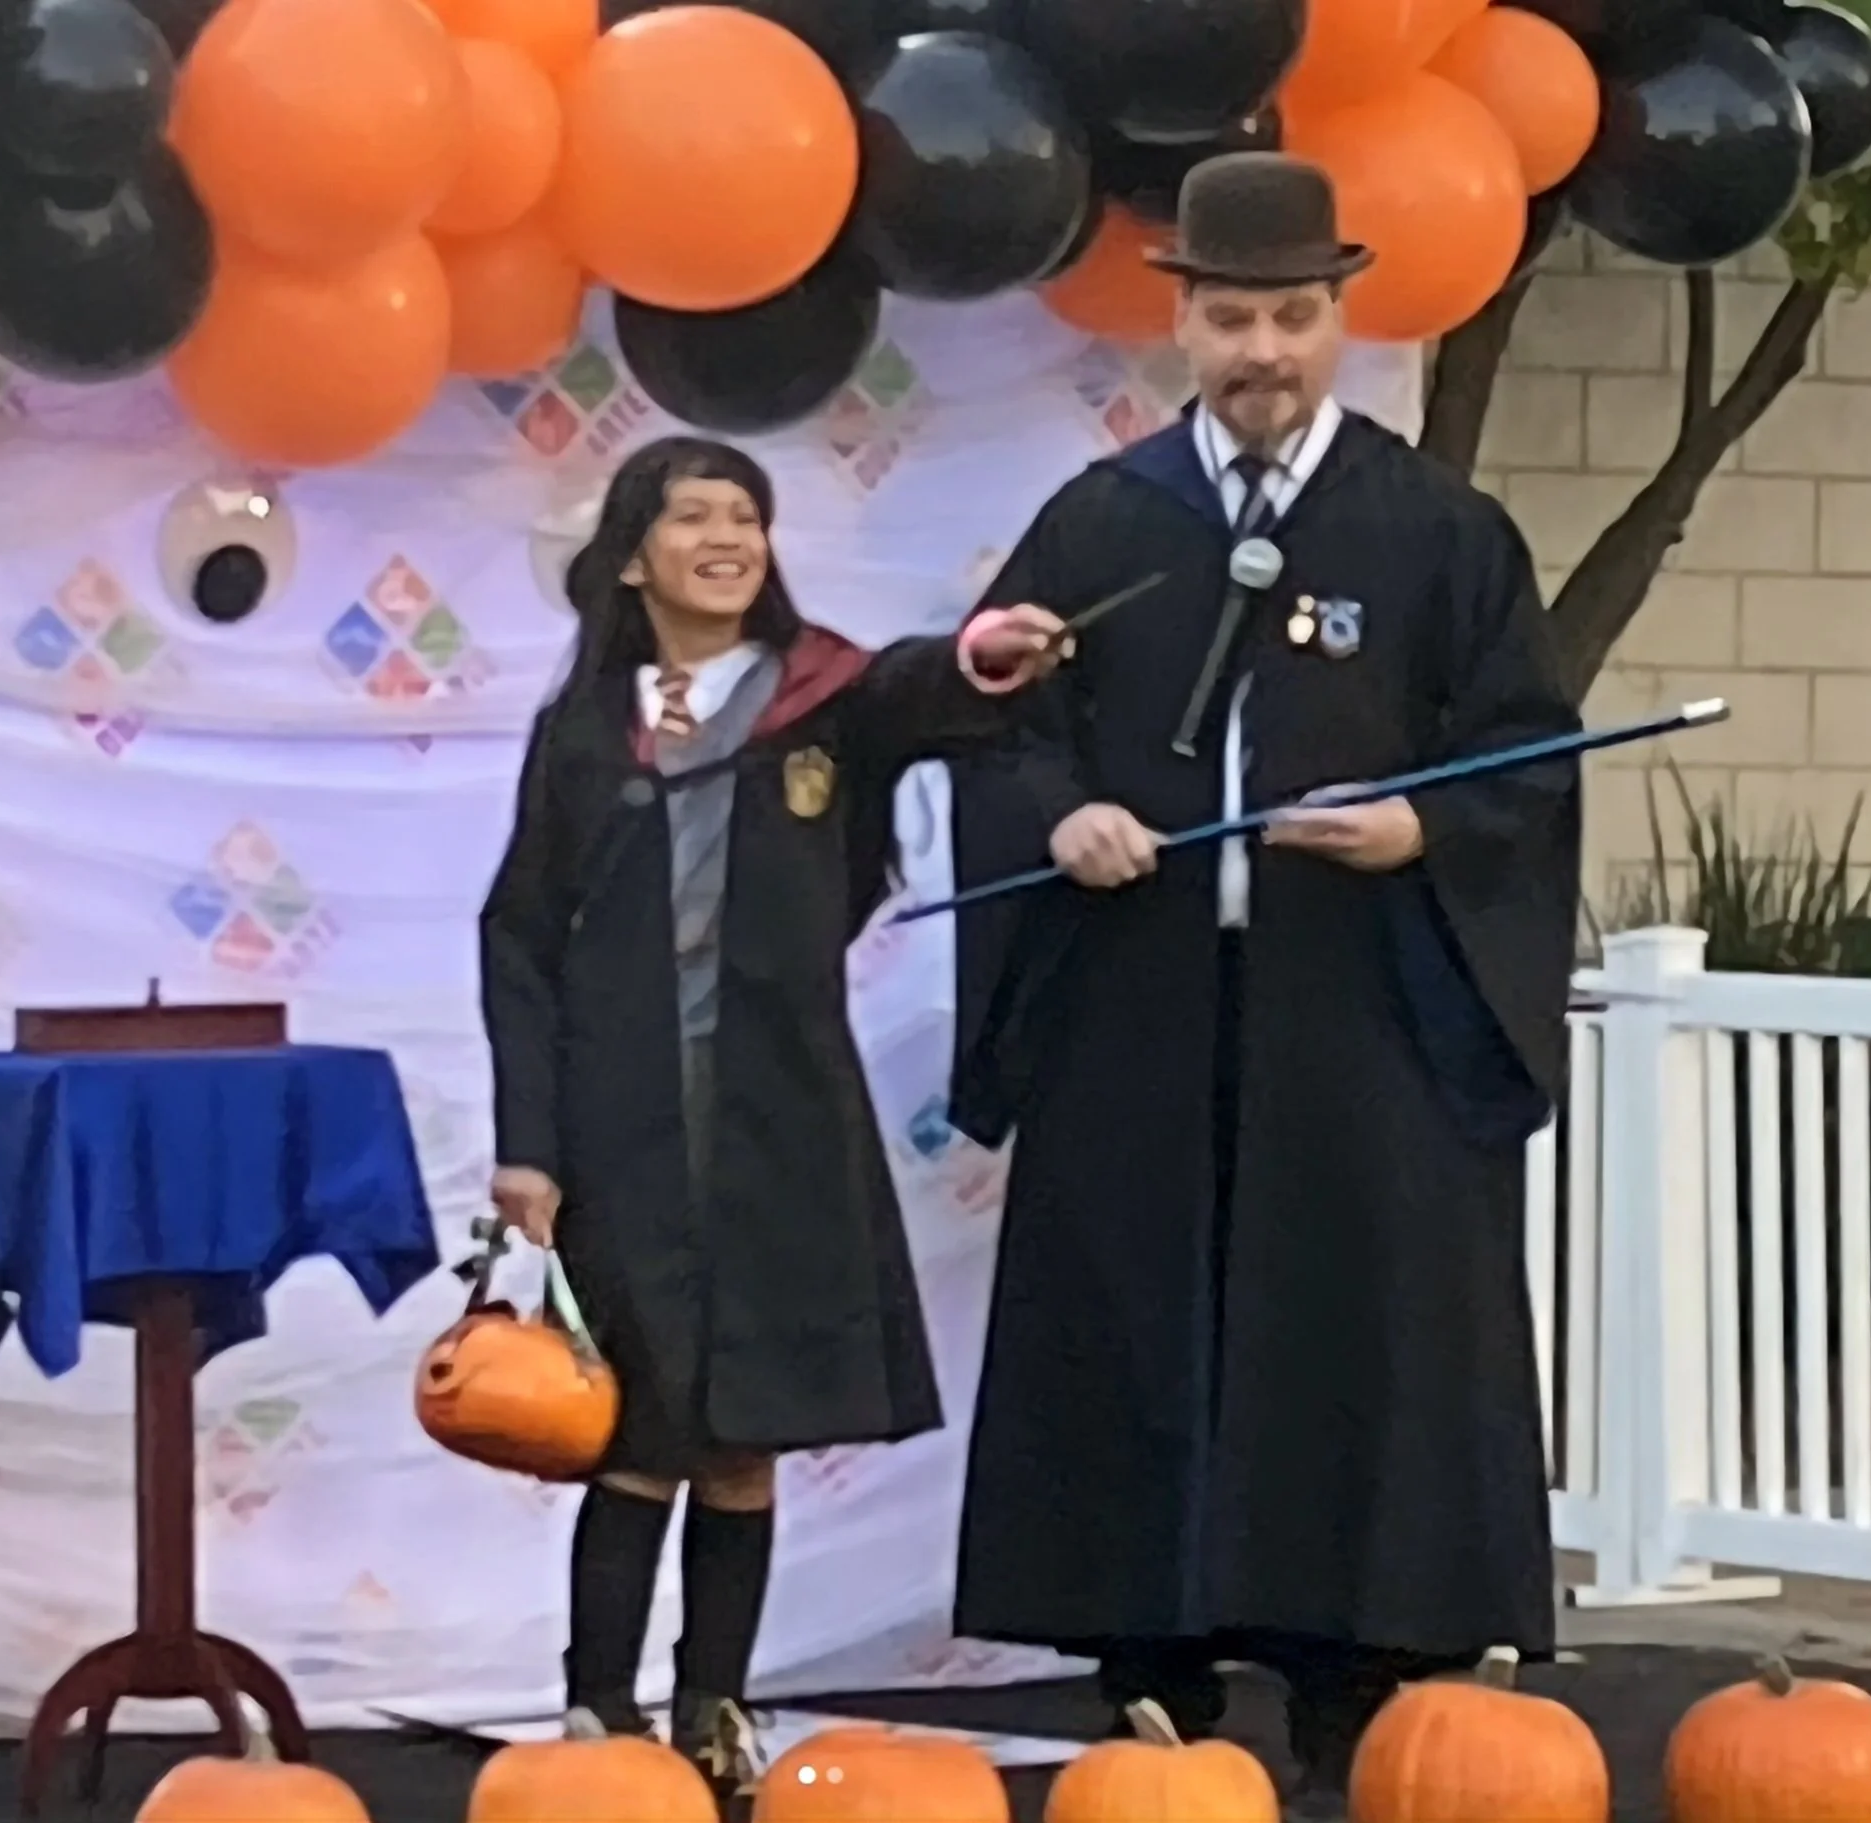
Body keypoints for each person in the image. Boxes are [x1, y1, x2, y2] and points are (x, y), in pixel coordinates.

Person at [947, 153, 1583, 1811]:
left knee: (1347, 1324)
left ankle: (1348, 1674)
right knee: (1140, 1316)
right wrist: (1064, 808)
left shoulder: (1435, 529)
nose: (1263, 350)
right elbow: (1003, 719)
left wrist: (1420, 826)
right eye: (1230, 316)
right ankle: (1148, 1670)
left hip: (1356, 1006)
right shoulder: (1104, 519)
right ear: (1183, 321)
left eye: (1293, 315)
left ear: (1339, 318)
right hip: (1145, 1008)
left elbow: (1527, 758)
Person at [480, 436, 1066, 1796]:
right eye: (691, 516)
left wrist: (984, 651)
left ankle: (713, 1706)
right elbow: (518, 935)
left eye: (744, 513)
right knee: (637, 1432)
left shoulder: (823, 699)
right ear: (634, 555)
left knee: (743, 1436)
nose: (725, 534)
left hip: (780, 1122)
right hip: (623, 1130)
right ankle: (592, 1715)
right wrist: (528, 1139)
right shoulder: (583, 730)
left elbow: (931, 691)